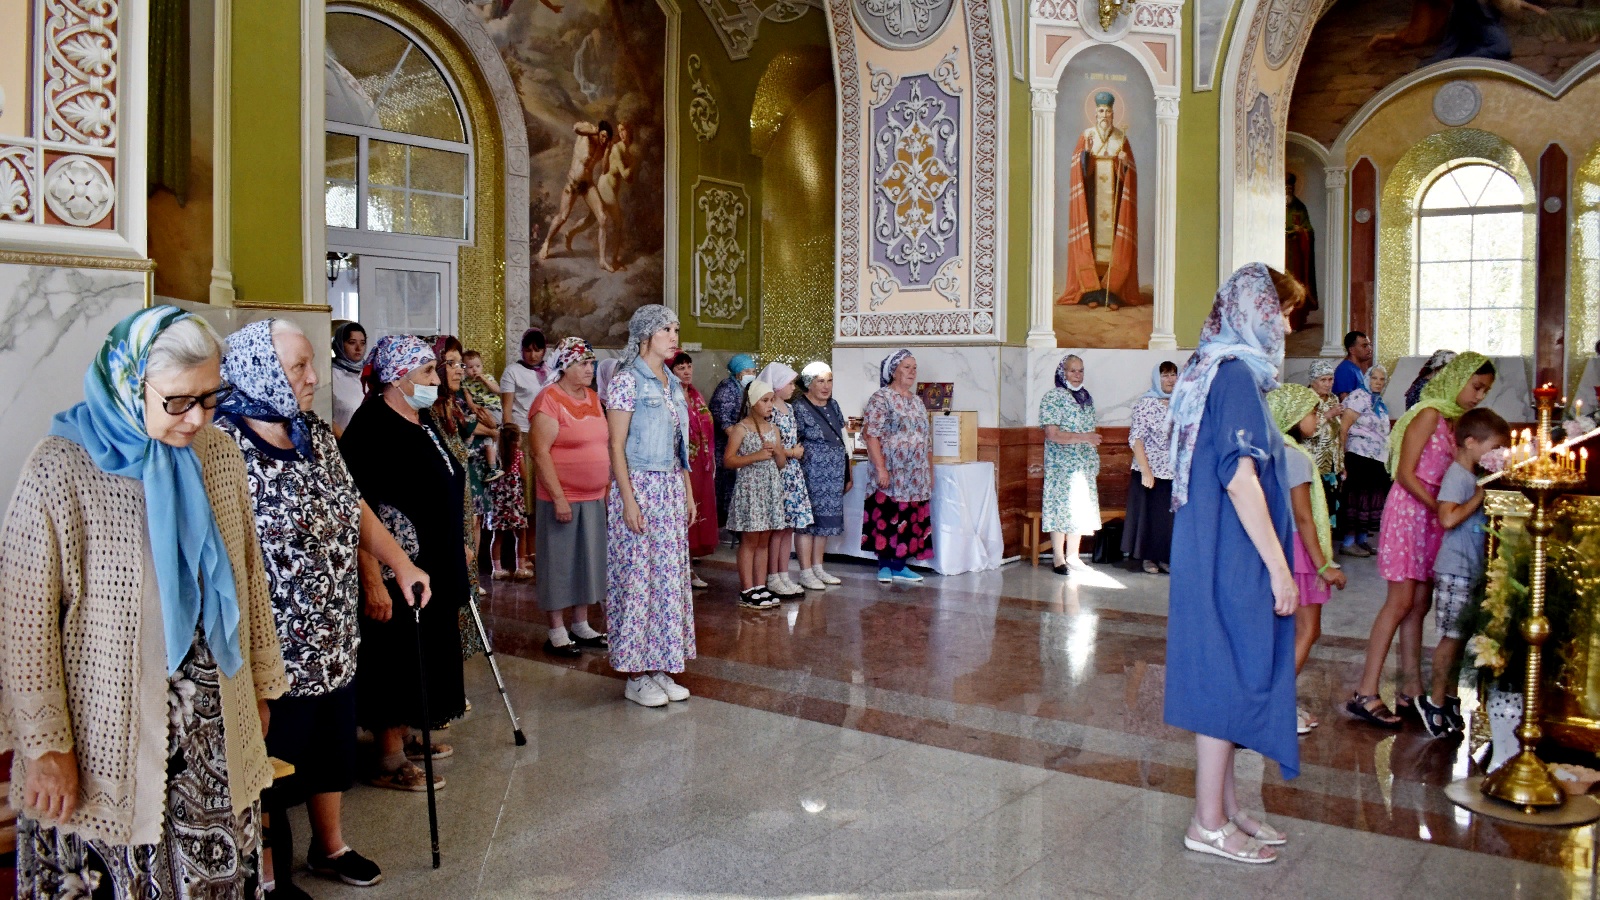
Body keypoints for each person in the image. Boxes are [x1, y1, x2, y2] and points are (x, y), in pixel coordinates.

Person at [2, 307, 288, 896]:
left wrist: (260, 684)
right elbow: (23, 621)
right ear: (132, 384)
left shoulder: (218, 454)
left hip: (211, 728)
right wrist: (45, 745)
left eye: (212, 397)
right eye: (179, 401)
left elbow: (249, 575)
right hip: (100, 742)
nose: (198, 418)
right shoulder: (60, 468)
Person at [217, 318, 431, 889]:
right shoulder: (222, 443)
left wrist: (399, 564)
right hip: (272, 642)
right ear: (259, 371)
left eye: (312, 363)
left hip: (332, 633)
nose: (313, 377)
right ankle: (264, 872)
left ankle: (329, 848)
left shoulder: (311, 430)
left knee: (331, 749)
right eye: (298, 367)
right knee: (272, 759)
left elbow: (354, 505)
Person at [1163, 263, 1305, 865]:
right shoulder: (1237, 377)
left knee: (1225, 671)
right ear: (1258, 311)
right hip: (1234, 553)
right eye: (1285, 309)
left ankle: (1226, 807)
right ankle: (1207, 823)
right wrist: (1279, 567)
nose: (1289, 322)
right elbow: (1241, 480)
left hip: (1213, 548)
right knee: (1227, 677)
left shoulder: (1212, 371)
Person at [341, 336, 469, 788]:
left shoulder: (422, 418)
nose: (436, 381)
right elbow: (357, 508)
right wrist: (373, 579)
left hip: (432, 566)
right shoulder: (370, 427)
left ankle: (410, 731)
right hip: (395, 571)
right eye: (427, 373)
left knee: (424, 653)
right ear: (398, 379)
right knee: (393, 655)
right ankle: (388, 756)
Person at [1347, 352, 1495, 729]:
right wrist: (1439, 508)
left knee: (1420, 604)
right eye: (1476, 387)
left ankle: (1410, 689)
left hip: (1433, 516)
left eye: (1485, 390)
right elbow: (1405, 473)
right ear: (1457, 378)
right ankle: (1365, 691)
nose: (1479, 396)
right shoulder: (1428, 413)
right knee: (1399, 602)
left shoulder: (1456, 421)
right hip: (1412, 510)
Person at [604, 305, 697, 708]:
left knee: (667, 581)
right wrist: (627, 499)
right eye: (666, 329)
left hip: (671, 488)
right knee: (638, 581)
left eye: (676, 328)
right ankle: (634, 674)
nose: (674, 336)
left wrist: (689, 492)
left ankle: (660, 665)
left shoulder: (673, 384)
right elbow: (615, 445)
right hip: (640, 487)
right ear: (644, 335)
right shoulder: (627, 381)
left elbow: (681, 448)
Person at [1419, 407, 1510, 738]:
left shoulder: (1471, 475)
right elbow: (1447, 518)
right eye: (1494, 448)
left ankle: (1451, 697)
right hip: (1455, 568)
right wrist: (1480, 495)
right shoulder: (1459, 475)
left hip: (1470, 569)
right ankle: (1435, 700)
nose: (1497, 455)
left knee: (1461, 640)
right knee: (1450, 638)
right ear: (1471, 442)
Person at [1268, 384, 1347, 736]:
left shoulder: (1266, 453)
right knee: (1308, 629)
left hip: (1276, 547)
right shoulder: (1295, 457)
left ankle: (1277, 702)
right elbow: (1304, 518)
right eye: (1312, 413)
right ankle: (1275, 705)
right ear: (1294, 418)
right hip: (1299, 551)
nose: (1317, 418)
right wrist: (1324, 565)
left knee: (1284, 633)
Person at [529, 337, 611, 658]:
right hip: (561, 499)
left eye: (591, 363)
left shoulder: (592, 397)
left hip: (593, 498)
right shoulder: (548, 400)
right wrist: (559, 497)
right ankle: (556, 630)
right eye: (583, 363)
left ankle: (580, 624)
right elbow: (539, 452)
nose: (590, 369)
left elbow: (602, 445)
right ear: (565, 366)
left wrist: (604, 486)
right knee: (559, 563)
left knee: (587, 562)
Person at [430, 336, 492, 661]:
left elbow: (487, 426)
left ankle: (457, 667)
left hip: (462, 503)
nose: (458, 370)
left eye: (458, 363)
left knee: (465, 585)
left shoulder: (453, 405)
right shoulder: (428, 412)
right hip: (445, 513)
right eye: (450, 363)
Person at [1057, 91, 1140, 309]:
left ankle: (1111, 292)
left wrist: (1124, 163)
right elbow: (1079, 170)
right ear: (1095, 114)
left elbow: (1129, 174)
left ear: (1114, 114)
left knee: (1113, 243)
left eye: (1108, 112)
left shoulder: (1121, 138)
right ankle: (1091, 292)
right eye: (1101, 111)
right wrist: (1085, 155)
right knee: (1091, 242)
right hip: (1092, 201)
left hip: (1113, 202)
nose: (1104, 115)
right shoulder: (1087, 136)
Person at [862, 350, 934, 584]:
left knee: (910, 518)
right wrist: (881, 468)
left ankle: (900, 566)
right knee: (888, 515)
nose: (912, 372)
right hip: (892, 471)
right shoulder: (881, 398)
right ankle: (884, 566)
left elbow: (927, 439)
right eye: (906, 367)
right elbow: (871, 435)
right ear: (893, 371)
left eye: (914, 367)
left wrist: (929, 472)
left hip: (915, 474)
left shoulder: (917, 401)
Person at [725, 380, 787, 610]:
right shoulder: (741, 428)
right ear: (753, 402)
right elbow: (729, 460)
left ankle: (760, 586)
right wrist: (756, 456)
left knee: (764, 540)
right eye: (765, 400)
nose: (770, 405)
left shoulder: (775, 430)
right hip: (751, 490)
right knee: (750, 540)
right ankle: (747, 588)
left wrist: (778, 452)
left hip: (769, 489)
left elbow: (780, 464)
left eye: (772, 400)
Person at [1041, 355, 1104, 574]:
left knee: (1078, 508)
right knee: (1060, 509)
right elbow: (1052, 434)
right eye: (1072, 371)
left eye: (1080, 371)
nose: (1077, 375)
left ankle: (1073, 555)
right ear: (1062, 372)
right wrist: (1085, 437)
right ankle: (1059, 558)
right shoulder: (1053, 397)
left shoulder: (1086, 397)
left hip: (1083, 464)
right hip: (1061, 466)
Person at [758, 361, 814, 598]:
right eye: (789, 383)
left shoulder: (789, 410)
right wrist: (791, 452)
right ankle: (772, 575)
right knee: (777, 528)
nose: (793, 387)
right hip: (777, 472)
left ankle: (783, 573)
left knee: (788, 527)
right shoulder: (769, 412)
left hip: (792, 473)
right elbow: (770, 445)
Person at [793, 361, 850, 587]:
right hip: (811, 472)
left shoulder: (834, 405)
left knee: (825, 521)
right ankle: (805, 571)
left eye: (829, 381)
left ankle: (818, 567)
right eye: (820, 381)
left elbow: (843, 439)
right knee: (809, 521)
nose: (826, 386)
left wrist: (848, 472)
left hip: (833, 472)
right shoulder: (798, 407)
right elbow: (792, 440)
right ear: (809, 384)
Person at [498, 328, 549, 579]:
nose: (532, 354)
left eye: (537, 349)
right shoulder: (512, 371)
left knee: (543, 494)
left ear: (544, 350)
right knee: (524, 498)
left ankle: (538, 552)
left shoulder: (550, 372)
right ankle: (523, 555)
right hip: (522, 435)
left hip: (546, 436)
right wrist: (511, 444)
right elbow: (506, 411)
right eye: (527, 349)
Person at [671, 351, 718, 586]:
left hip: (701, 464)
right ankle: (680, 570)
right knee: (681, 514)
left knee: (696, 514)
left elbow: (707, 429)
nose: (687, 371)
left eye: (689, 366)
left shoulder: (696, 395)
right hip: (681, 464)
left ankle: (689, 567)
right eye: (681, 368)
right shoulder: (669, 396)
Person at [1124, 361, 1177, 574]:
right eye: (1165, 375)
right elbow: (1136, 438)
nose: (1170, 379)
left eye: (1173, 374)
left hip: (1173, 471)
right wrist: (1146, 470)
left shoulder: (1180, 403)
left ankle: (1165, 558)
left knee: (1167, 518)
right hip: (1150, 471)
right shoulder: (1146, 403)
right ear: (1157, 378)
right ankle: (1149, 558)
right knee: (1150, 517)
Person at [539, 120, 614, 262]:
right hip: (573, 183)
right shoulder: (588, 132)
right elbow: (576, 128)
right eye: (602, 136)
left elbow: (605, 170)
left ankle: (601, 260)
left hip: (587, 185)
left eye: (607, 138)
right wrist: (595, 131)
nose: (604, 140)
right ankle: (547, 242)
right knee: (563, 217)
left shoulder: (604, 147)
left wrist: (608, 151)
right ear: (598, 131)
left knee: (602, 217)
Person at [1337, 363, 1392, 557]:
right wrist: (1341, 459)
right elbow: (1343, 428)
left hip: (1375, 458)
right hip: (1358, 455)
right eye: (1374, 378)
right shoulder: (1359, 396)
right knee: (1357, 499)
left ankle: (1362, 540)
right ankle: (1349, 542)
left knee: (1370, 500)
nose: (1378, 382)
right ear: (1367, 378)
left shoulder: (1378, 401)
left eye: (1382, 379)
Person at [711, 353, 760, 529]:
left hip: (736, 445)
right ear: (738, 372)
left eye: (753, 371)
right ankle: (722, 528)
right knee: (724, 488)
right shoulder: (727, 389)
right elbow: (725, 423)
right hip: (724, 447)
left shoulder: (741, 388)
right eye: (747, 371)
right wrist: (744, 443)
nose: (751, 374)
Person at [1284, 175, 1319, 332]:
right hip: (1281, 252)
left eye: (1290, 188)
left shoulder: (1300, 207)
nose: (1288, 191)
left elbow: (1308, 229)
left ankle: (1297, 321)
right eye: (1285, 188)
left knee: (1297, 284)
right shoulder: (1274, 206)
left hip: (1296, 253)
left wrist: (1301, 232)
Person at [331, 320, 367, 436]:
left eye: (362, 343)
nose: (358, 348)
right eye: (352, 342)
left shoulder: (371, 372)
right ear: (340, 344)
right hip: (342, 446)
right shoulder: (330, 376)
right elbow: (323, 416)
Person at [1331, 331, 1372, 399]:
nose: (1369, 349)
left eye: (1370, 345)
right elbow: (1345, 401)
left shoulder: (1355, 368)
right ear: (1351, 350)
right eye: (1364, 346)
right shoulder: (1345, 370)